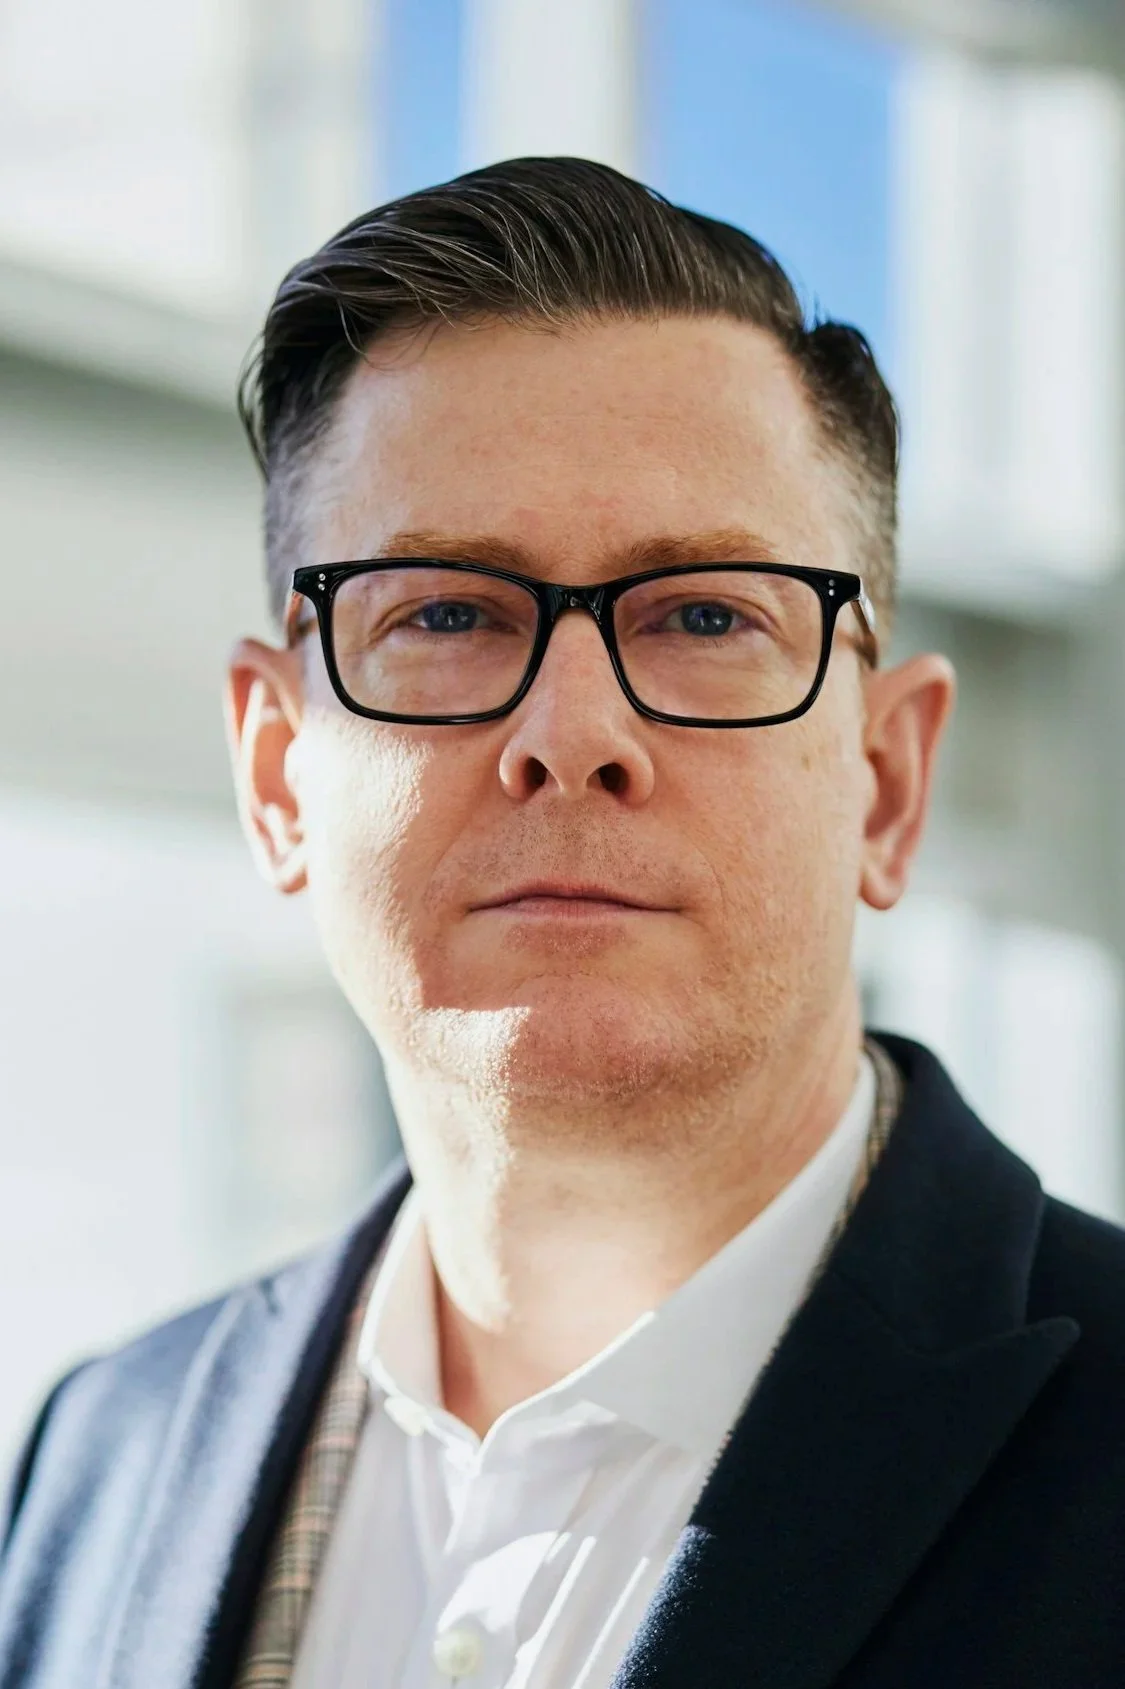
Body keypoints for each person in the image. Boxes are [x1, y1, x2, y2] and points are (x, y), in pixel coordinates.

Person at [1, 157, 1123, 1689]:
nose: (574, 729)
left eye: (709, 614)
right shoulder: (96, 1460)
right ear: (278, 777)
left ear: (883, 780)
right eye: (446, 614)